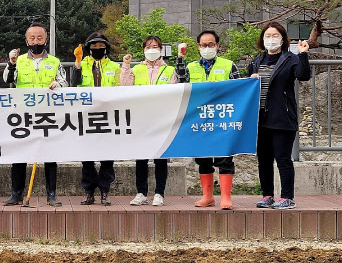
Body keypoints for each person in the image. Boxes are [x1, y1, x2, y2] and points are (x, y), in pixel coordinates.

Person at [2, 22, 68, 207]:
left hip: (47, 115)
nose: (36, 41)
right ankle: (16, 194)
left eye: (40, 37)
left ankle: (51, 194)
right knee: (19, 155)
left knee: (49, 155)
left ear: (46, 39)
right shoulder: (19, 60)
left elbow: (64, 82)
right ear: (26, 40)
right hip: (22, 114)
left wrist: (58, 85)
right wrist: (11, 64)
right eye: (32, 38)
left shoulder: (54, 61)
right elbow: (8, 80)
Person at [176, 30, 242, 210]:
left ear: (218, 46)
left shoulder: (229, 65)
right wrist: (180, 59)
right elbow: (181, 83)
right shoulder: (190, 67)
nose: (207, 48)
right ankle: (208, 197)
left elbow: (239, 90)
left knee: (225, 158)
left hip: (222, 118)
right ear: (198, 47)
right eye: (203, 45)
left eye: (211, 44)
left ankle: (226, 198)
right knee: (203, 158)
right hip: (200, 119)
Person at [248, 21, 310, 209]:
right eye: (268, 36)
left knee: (283, 158)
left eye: (275, 36)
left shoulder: (290, 58)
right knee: (264, 159)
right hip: (261, 117)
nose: (271, 39)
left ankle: (287, 197)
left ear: (283, 39)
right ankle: (267, 195)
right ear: (262, 39)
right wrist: (251, 78)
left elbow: (303, 75)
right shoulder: (256, 61)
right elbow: (247, 87)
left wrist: (304, 54)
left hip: (282, 116)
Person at [121, 35, 177, 207]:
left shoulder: (169, 70)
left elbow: (174, 92)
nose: (151, 49)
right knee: (141, 157)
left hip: (162, 119)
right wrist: (125, 66)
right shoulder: (136, 70)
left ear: (161, 50)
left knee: (161, 157)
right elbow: (124, 87)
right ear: (143, 50)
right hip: (141, 118)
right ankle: (141, 193)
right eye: (148, 47)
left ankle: (159, 193)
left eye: (155, 47)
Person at [70, 32, 119, 206]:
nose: (97, 49)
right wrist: (77, 62)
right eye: (93, 46)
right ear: (87, 48)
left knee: (107, 156)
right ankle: (89, 191)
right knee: (87, 156)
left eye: (101, 46)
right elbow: (73, 84)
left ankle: (105, 191)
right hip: (87, 115)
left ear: (107, 47)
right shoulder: (81, 64)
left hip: (109, 116)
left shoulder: (115, 66)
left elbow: (122, 88)